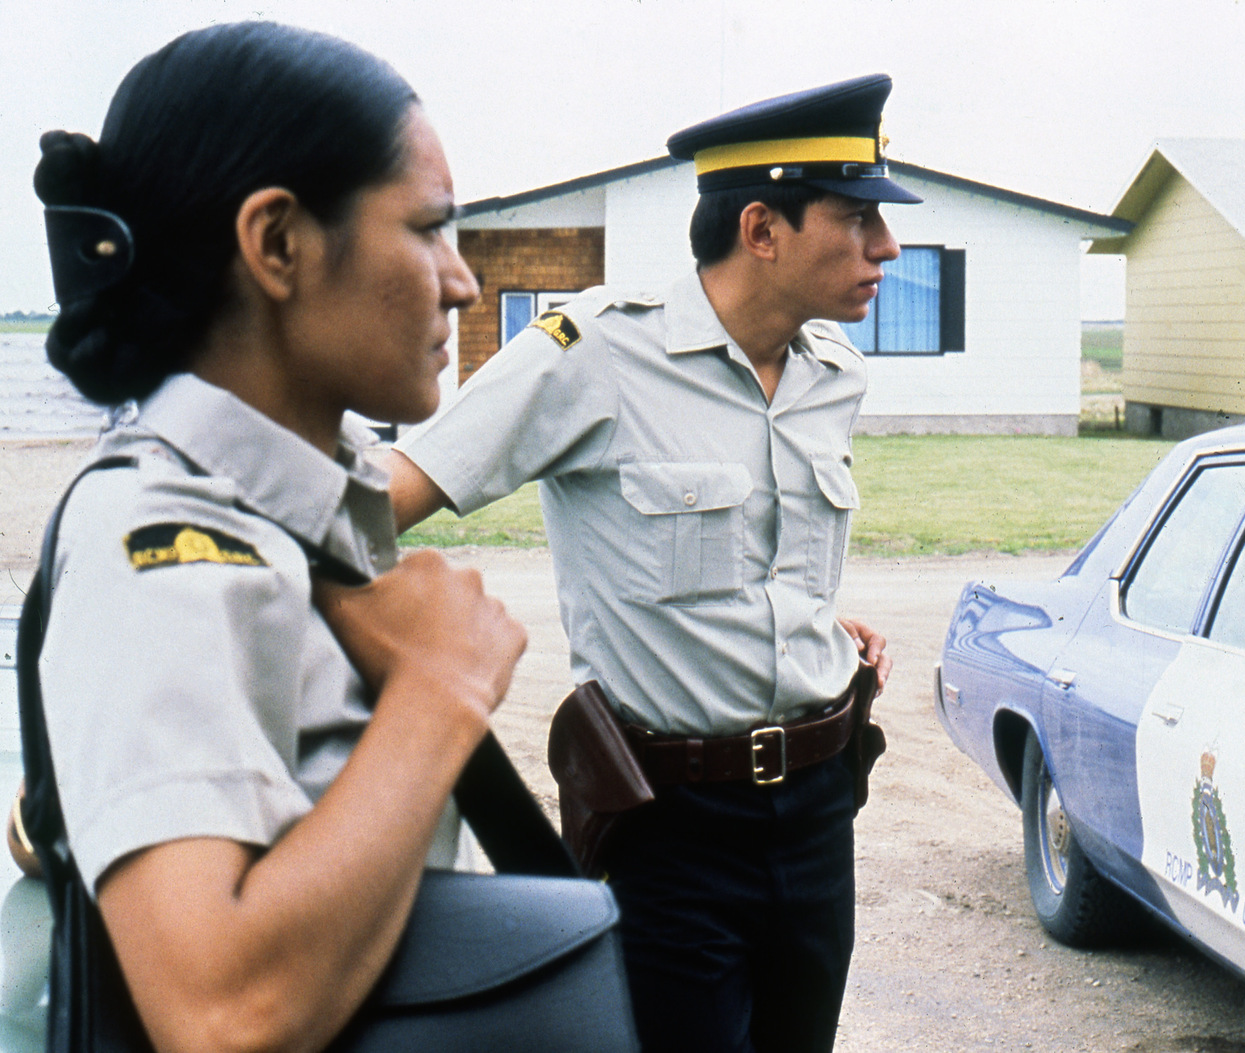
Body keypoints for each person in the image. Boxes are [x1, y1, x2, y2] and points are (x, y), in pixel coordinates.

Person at [388, 74, 919, 1052]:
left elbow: (767, 566)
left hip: (817, 810)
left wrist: (807, 627)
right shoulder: (591, 353)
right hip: (670, 824)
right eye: (857, 220)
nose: (887, 247)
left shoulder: (831, 374)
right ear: (762, 228)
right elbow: (387, 498)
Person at [31, 22, 527, 1053]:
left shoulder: (283, 522)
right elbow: (222, 1017)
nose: (462, 280)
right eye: (429, 228)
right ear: (278, 244)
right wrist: (440, 689)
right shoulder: (161, 548)